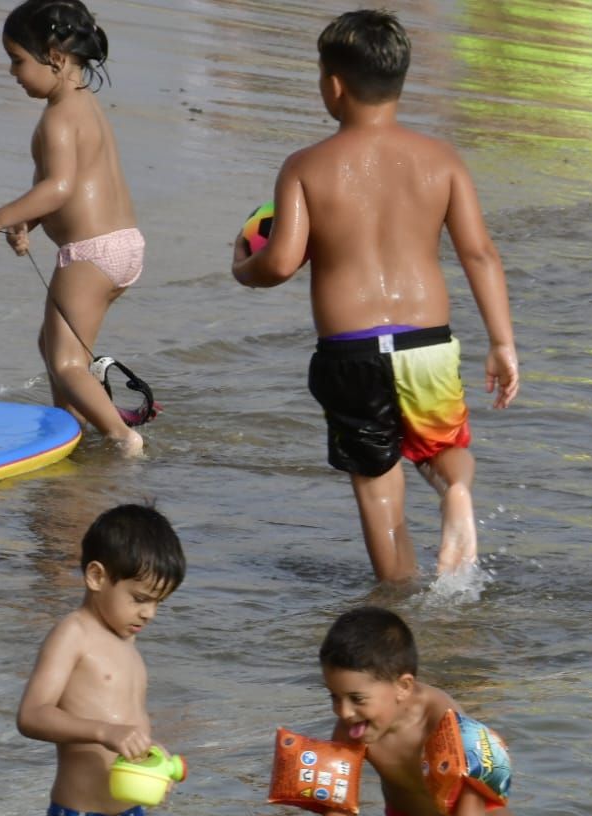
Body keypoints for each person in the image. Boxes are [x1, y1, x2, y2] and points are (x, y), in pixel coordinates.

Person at [232, 9, 520, 582]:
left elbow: (283, 261)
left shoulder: (305, 167)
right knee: (441, 449)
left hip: (351, 352)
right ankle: (457, 493)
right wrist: (502, 343)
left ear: (333, 85)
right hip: (426, 344)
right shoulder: (442, 160)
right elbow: (480, 253)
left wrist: (244, 267)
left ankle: (398, 602)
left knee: (377, 485)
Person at [0, 0, 147, 456]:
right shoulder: (86, 108)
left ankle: (123, 439)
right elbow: (70, 185)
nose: (12, 72)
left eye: (17, 60)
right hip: (123, 246)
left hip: (90, 254)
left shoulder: (58, 118)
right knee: (55, 346)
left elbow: (59, 187)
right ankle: (72, 429)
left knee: (66, 360)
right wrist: (28, 219)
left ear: (56, 58)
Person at [293, 607, 541, 816]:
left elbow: (471, 793)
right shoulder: (351, 730)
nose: (344, 712)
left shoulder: (439, 717)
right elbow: (339, 804)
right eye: (334, 696)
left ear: (403, 686)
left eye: (357, 699)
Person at [17, 503, 186, 816]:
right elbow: (32, 714)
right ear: (96, 577)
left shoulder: (130, 648)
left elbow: (132, 727)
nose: (149, 613)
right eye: (140, 599)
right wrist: (103, 732)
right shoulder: (73, 634)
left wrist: (154, 767)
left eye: (158, 603)